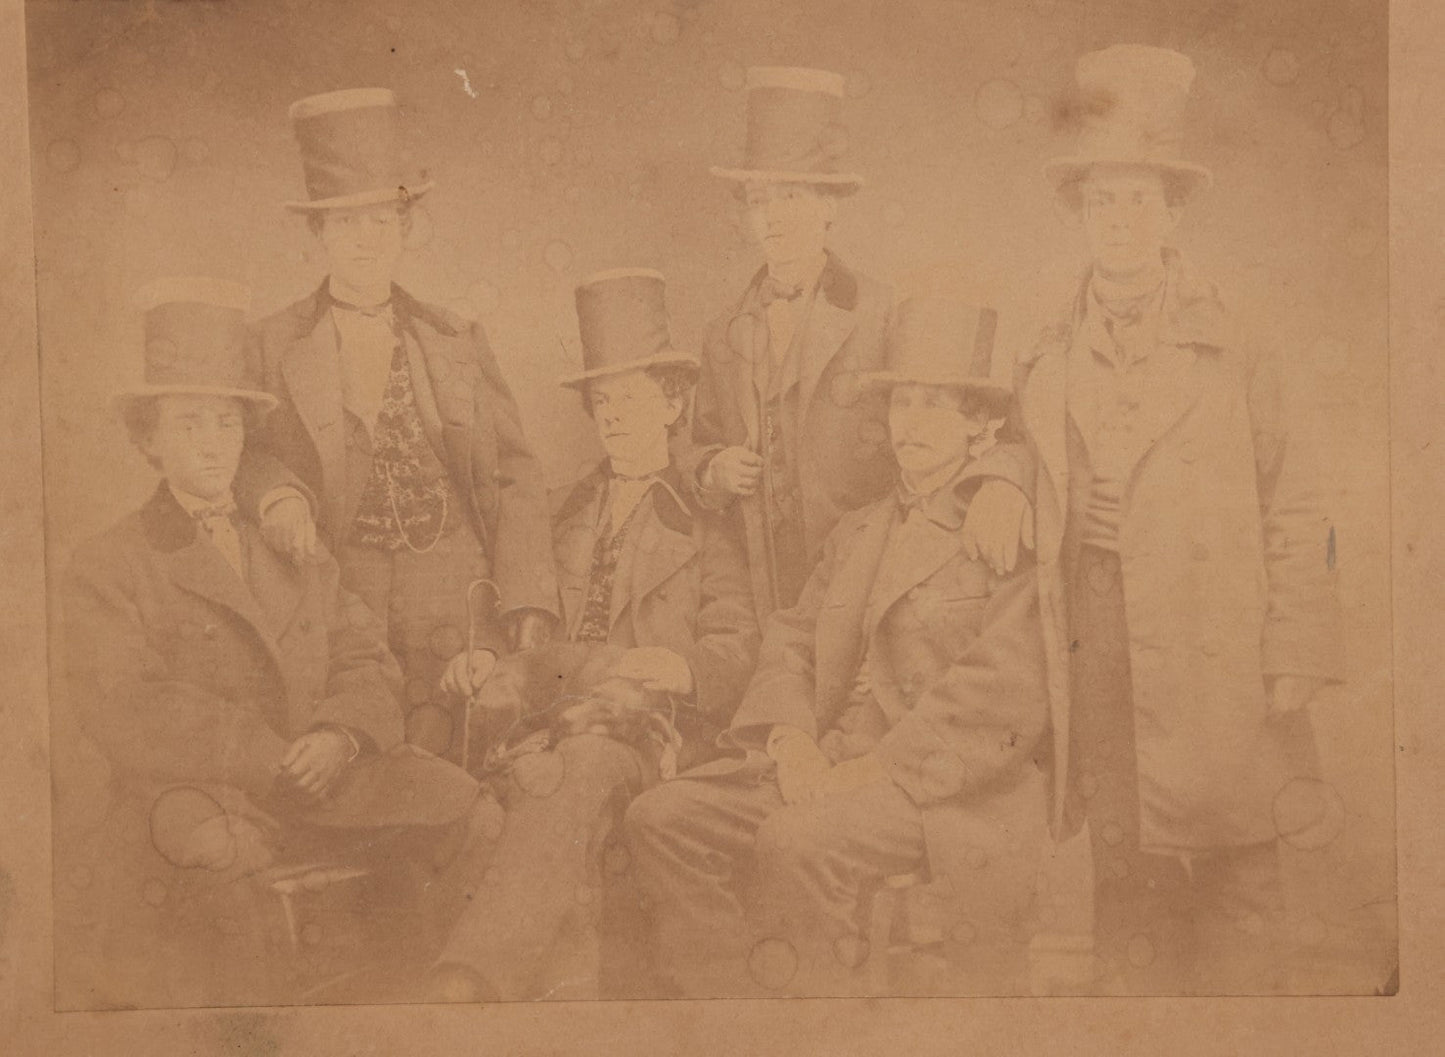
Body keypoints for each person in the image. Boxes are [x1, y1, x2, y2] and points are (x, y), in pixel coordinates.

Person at [60, 279, 494, 1008]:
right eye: (189, 424)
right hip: (199, 792)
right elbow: (128, 705)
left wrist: (340, 736)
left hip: (325, 778)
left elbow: (365, 658)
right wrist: (270, 756)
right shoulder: (110, 562)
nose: (212, 444)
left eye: (226, 424)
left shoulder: (293, 544)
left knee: (468, 809)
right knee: (226, 867)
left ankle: (436, 1021)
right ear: (148, 440)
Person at [1017, 45, 1345, 993]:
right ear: (1079, 213)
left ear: (1171, 212)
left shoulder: (1238, 333)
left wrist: (1295, 646)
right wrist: (1002, 485)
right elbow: (1010, 448)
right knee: (1127, 867)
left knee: (1240, 871)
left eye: (1139, 199)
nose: (1119, 221)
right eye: (1101, 201)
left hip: (1218, 631)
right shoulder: (1047, 340)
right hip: (1100, 632)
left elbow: (1299, 498)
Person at [626, 293, 1052, 998]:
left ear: (980, 424)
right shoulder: (858, 529)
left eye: (934, 405)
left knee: (795, 840)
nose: (909, 423)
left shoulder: (1001, 530)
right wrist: (792, 739)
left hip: (941, 792)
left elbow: (1001, 695)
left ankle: (822, 1026)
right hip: (824, 762)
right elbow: (791, 640)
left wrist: (870, 771)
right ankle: (729, 1011)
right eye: (901, 403)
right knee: (662, 818)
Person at [429, 270, 760, 1001]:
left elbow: (737, 650)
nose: (612, 418)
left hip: (655, 733)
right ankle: (564, 1002)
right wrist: (483, 654)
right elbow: (514, 620)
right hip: (545, 717)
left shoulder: (710, 524)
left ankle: (473, 976)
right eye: (602, 402)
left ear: (672, 403)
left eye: (631, 399)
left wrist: (681, 665)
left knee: (575, 766)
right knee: (514, 782)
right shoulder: (561, 510)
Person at [232, 88, 558, 762]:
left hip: (458, 595)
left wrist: (526, 602)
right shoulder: (270, 344)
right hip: (341, 591)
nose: (365, 239)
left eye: (381, 219)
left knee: (466, 764)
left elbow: (515, 476)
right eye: (346, 221)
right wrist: (277, 494)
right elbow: (238, 451)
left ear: (406, 227)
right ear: (318, 231)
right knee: (357, 754)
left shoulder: (455, 337)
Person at [682, 66, 1033, 624]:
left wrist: (1002, 484)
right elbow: (697, 446)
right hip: (756, 590)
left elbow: (983, 420)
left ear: (829, 206)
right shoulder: (723, 333)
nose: (773, 217)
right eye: (758, 200)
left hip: (863, 580)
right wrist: (712, 469)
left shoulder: (880, 312)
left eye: (791, 196)